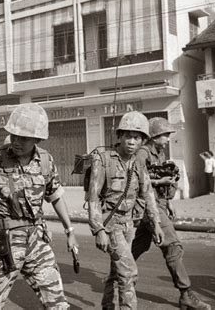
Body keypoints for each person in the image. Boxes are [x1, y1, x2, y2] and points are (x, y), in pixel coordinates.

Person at [0, 103, 78, 309]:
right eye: (14, 135)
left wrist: (70, 230)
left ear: (37, 139)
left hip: (36, 240)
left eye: (23, 138)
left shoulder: (45, 161)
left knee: (57, 301)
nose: (16, 141)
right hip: (3, 244)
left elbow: (55, 196)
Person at [87, 111, 164, 310]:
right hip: (110, 223)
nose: (131, 141)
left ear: (143, 141)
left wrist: (156, 224)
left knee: (117, 270)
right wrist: (99, 230)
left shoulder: (139, 162)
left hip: (129, 224)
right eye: (128, 136)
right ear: (119, 136)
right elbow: (93, 197)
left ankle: (107, 305)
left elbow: (148, 194)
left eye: (137, 137)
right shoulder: (103, 160)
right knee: (128, 272)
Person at [133, 117, 211, 310]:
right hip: (148, 207)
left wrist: (167, 202)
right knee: (172, 247)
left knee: (138, 247)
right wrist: (159, 184)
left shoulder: (159, 153)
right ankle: (185, 294)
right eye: (165, 134)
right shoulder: (142, 154)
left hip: (158, 204)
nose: (168, 138)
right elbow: (134, 182)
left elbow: (159, 177)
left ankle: (117, 276)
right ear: (154, 136)